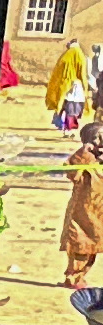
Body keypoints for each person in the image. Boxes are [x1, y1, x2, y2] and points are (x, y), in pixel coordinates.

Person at [69, 112, 103, 291]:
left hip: (99, 212)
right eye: (97, 138)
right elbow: (72, 174)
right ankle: (73, 276)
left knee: (94, 247)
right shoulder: (83, 158)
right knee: (80, 245)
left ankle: (82, 275)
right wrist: (85, 155)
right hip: (83, 212)